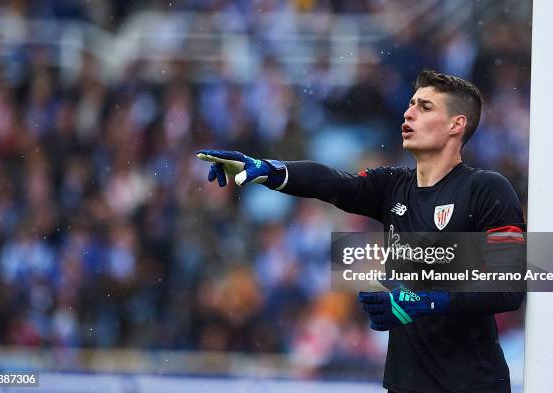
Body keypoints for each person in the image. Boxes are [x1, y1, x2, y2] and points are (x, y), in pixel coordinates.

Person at [196, 70, 525, 393]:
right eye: (411, 103)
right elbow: (334, 184)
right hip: (405, 383)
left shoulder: (487, 189)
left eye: (425, 107)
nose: (409, 112)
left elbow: (509, 289)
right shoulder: (393, 185)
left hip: (473, 384)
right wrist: (269, 170)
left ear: (457, 125)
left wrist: (428, 302)